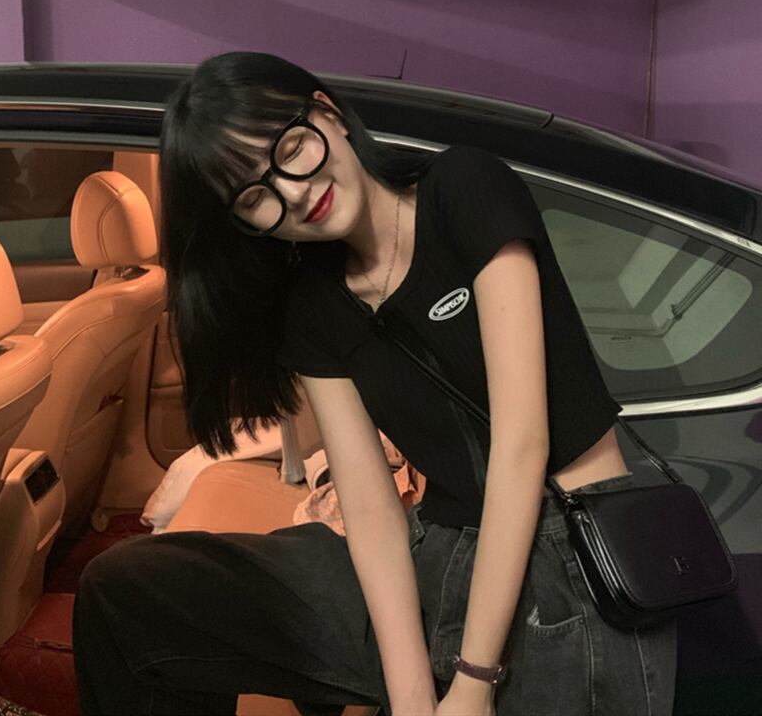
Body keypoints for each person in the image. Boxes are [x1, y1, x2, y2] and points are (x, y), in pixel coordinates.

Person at [72, 51, 678, 716]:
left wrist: (473, 682)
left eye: (290, 151)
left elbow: (522, 444)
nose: (292, 193)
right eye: (255, 196)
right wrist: (411, 696)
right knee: (130, 590)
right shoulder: (313, 306)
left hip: (566, 553)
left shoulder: (463, 188)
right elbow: (368, 508)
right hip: (439, 549)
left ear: (327, 113)